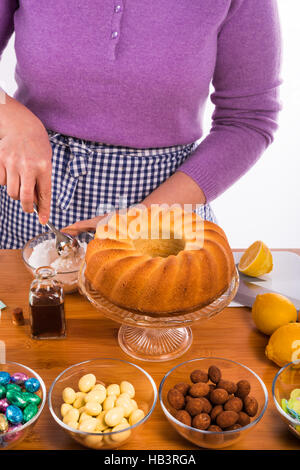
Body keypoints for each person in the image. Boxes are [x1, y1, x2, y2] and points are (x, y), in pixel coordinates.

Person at [0, 1, 281, 248]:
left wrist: (144, 218)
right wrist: (10, 116)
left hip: (165, 214)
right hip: (29, 210)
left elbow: (249, 119)